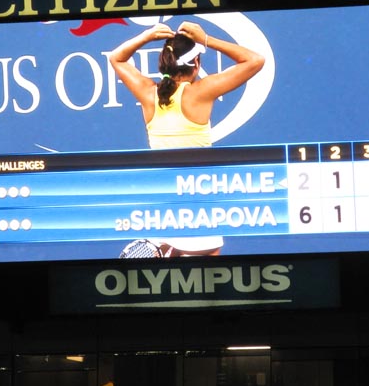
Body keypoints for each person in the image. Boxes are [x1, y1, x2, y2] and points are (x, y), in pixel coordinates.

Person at [109, 20, 265, 257]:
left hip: (162, 206)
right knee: (204, 284)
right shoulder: (201, 91)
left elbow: (116, 58)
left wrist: (145, 36)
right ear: (196, 63)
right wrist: (206, 39)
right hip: (197, 202)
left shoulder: (148, 92)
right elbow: (255, 60)